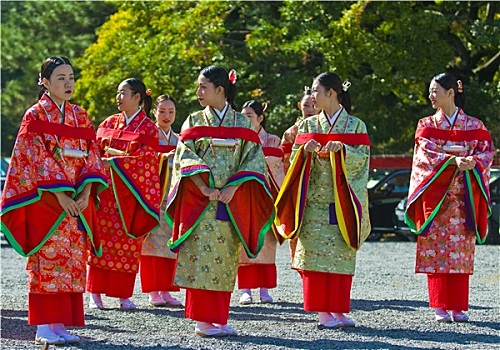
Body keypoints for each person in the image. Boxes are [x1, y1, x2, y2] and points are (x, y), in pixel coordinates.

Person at [0, 57, 107, 345]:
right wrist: (60, 194)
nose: (68, 83)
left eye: (71, 77)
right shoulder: (35, 115)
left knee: (72, 261)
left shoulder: (81, 116)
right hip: (47, 203)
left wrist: (84, 194)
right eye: (60, 78)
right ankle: (44, 325)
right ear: (45, 82)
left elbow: (92, 156)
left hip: (76, 204)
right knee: (47, 261)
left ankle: (60, 323)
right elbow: (32, 158)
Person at [166, 66, 274, 337]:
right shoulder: (193, 120)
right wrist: (203, 187)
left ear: (220, 90)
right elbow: (184, 158)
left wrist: (234, 187)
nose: (198, 92)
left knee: (225, 260)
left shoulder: (242, 123)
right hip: (201, 203)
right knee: (200, 258)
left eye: (203, 87)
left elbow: (253, 160)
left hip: (229, 203)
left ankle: (220, 318)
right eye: (198, 87)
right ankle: (203, 321)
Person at [275, 72, 371, 328]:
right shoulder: (306, 126)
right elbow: (293, 157)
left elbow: (362, 160)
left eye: (317, 91)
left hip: (343, 201)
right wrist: (304, 154)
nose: (313, 96)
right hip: (312, 201)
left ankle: (339, 310)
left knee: (341, 254)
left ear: (332, 93)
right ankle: (323, 312)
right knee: (316, 257)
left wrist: (343, 151)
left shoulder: (356, 126)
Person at [405, 73, 494, 322]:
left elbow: (487, 153)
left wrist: (472, 162)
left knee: (460, 252)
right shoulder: (426, 124)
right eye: (430, 91)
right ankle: (439, 306)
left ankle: (458, 306)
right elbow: (424, 154)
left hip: (463, 197)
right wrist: (452, 160)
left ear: (451, 92)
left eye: (435, 91)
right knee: (436, 251)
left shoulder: (475, 126)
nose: (431, 96)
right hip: (436, 198)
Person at [87, 78, 162, 310]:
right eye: (118, 93)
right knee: (100, 242)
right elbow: (93, 151)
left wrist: (116, 163)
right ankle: (94, 294)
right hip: (105, 194)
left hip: (130, 195)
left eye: (124, 93)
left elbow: (148, 160)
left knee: (127, 244)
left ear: (137, 97)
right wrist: (103, 164)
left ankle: (123, 295)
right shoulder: (109, 122)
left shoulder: (148, 127)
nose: (119, 98)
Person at [237, 100, 285, 305]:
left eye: (249, 116)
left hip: (267, 196)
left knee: (267, 243)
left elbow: (278, 167)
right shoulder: (238, 140)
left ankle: (264, 290)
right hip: (244, 196)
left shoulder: (273, 141)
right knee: (244, 243)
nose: (245, 120)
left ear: (260, 119)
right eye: (243, 116)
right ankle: (246, 290)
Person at [140, 95, 182, 307]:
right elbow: (141, 161)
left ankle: (167, 290)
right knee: (151, 243)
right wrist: (163, 159)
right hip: (152, 194)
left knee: (170, 242)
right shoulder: (149, 136)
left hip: (172, 195)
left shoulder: (179, 139)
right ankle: (153, 291)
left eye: (171, 112)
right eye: (163, 111)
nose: (167, 116)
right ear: (154, 112)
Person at [281, 86, 319, 172]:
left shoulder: (324, 128)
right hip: (298, 176)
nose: (310, 110)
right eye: (306, 105)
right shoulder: (290, 133)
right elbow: (286, 162)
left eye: (314, 106)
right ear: (299, 106)